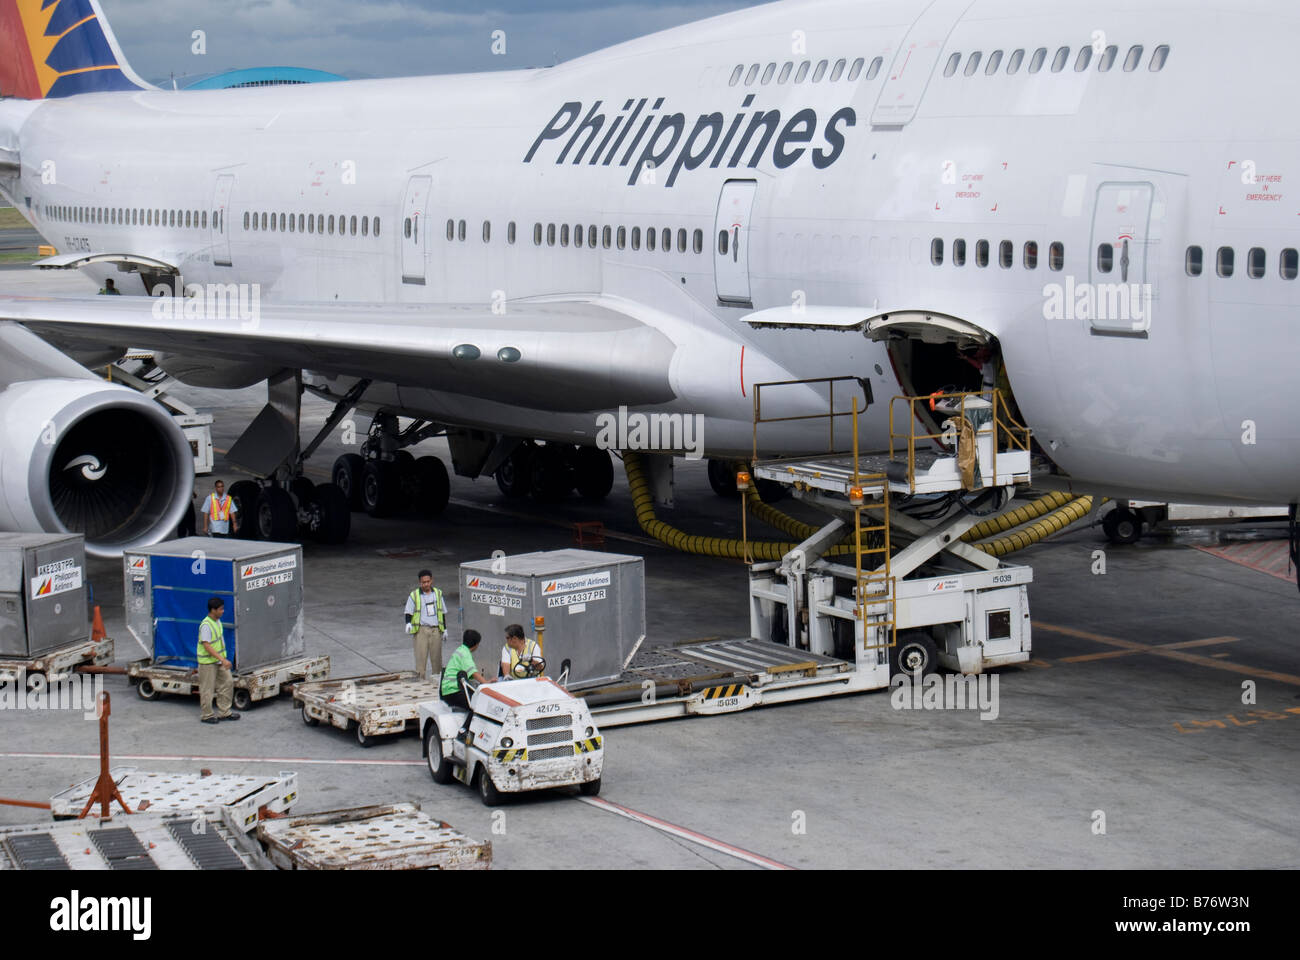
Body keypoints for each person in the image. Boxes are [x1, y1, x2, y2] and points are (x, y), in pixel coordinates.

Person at [197, 597, 239, 724]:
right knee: (207, 689)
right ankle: (207, 715)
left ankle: (224, 712)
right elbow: (207, 645)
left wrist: (222, 659)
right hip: (208, 663)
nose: (223, 611)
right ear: (213, 610)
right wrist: (222, 659)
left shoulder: (217, 621)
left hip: (219, 661)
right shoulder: (206, 625)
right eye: (220, 609)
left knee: (227, 682)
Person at [441, 629, 489, 733]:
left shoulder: (460, 650)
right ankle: (465, 729)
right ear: (476, 644)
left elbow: (468, 673)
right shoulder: (465, 654)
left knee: (475, 698)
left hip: (448, 690)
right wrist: (487, 684)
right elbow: (473, 673)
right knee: (478, 703)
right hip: (453, 691)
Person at [404, 569, 446, 680]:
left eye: (428, 581)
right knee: (420, 660)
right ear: (420, 582)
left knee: (437, 660)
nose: (426, 584)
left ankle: (436, 684)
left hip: (435, 630)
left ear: (431, 580)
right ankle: (420, 682)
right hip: (421, 631)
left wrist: (444, 629)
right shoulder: (414, 595)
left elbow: (442, 612)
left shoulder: (438, 593)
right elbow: (408, 611)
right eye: (423, 582)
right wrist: (408, 623)